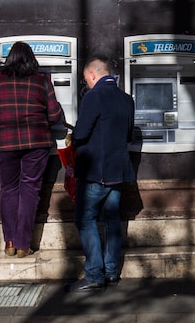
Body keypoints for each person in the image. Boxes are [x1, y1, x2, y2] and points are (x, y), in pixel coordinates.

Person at [0, 41, 66, 258]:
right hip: (36, 143)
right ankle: (23, 244)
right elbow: (55, 115)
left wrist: (2, 119)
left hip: (5, 143)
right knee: (30, 190)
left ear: (9, 58)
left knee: (8, 189)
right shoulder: (41, 80)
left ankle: (9, 242)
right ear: (32, 59)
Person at [66, 56, 136, 292]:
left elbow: (82, 132)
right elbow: (128, 135)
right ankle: (112, 272)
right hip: (118, 171)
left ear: (93, 75)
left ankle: (95, 274)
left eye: (87, 79)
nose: (87, 83)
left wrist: (72, 139)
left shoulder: (93, 96)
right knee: (112, 222)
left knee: (85, 220)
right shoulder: (127, 99)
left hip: (96, 172)